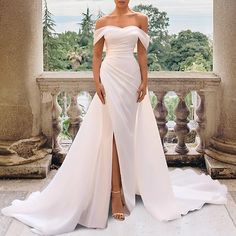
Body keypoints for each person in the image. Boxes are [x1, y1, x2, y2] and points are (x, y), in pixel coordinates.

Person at [1, 1, 228, 235]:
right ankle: (115, 194)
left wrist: (144, 82)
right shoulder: (103, 22)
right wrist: (98, 82)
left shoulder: (141, 19)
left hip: (130, 79)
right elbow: (97, 56)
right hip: (109, 78)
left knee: (126, 134)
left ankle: (128, 183)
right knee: (111, 134)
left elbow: (141, 53)